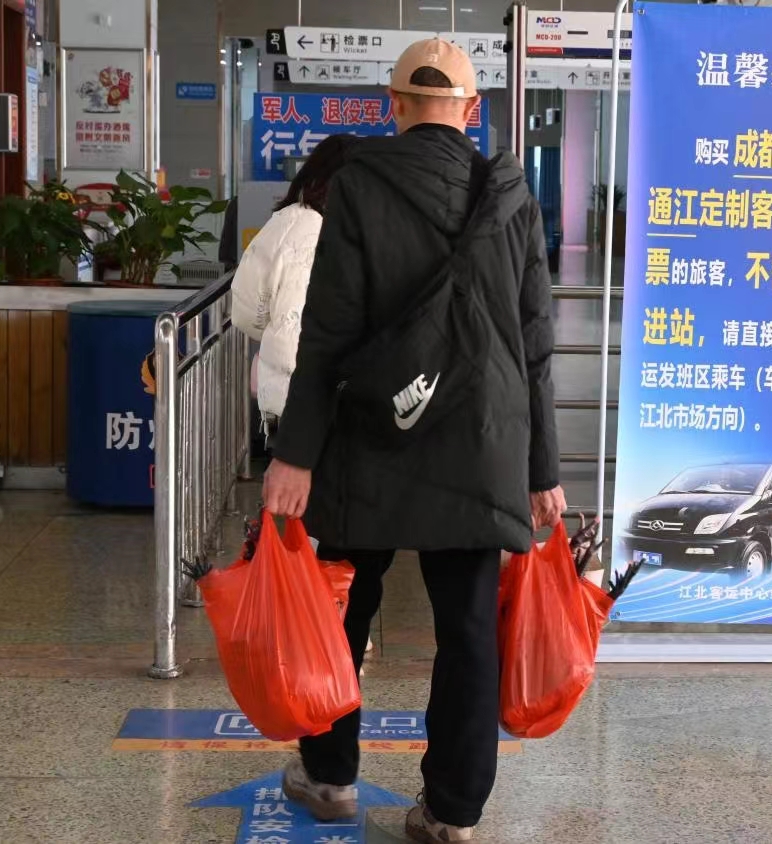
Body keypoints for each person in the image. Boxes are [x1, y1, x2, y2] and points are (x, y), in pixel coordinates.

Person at [261, 38, 565, 843]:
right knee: (468, 628)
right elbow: (536, 342)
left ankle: (330, 776)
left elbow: (326, 332)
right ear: (471, 110)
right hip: (482, 441)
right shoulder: (511, 193)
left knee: (345, 606)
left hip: (373, 432)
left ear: (393, 105)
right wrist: (542, 470)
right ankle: (452, 813)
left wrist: (294, 455)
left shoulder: (359, 185)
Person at [231, 133, 361, 446]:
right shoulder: (312, 235)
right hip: (306, 406)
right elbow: (295, 331)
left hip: (287, 399)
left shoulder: (290, 219)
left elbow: (248, 313)